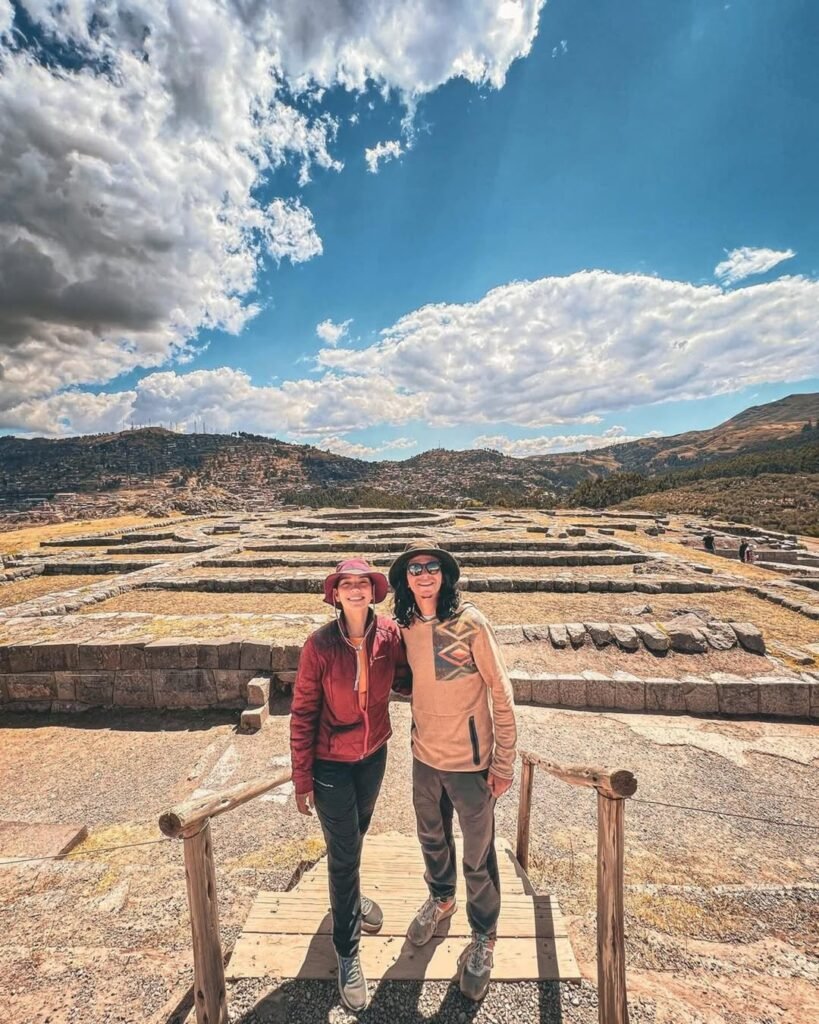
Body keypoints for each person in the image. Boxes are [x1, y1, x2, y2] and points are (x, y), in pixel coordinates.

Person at [389, 539, 517, 1002]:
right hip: (425, 757)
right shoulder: (404, 625)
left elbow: (501, 694)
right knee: (431, 838)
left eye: (432, 566)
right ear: (405, 578)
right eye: (414, 568)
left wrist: (503, 762)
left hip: (471, 763)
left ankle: (483, 936)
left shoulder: (471, 622)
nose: (424, 574)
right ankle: (441, 900)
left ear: (445, 574)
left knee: (478, 856)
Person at [290, 558, 410, 1013]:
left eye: (363, 583)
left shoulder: (389, 637)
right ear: (335, 594)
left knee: (354, 838)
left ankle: (352, 900)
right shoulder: (319, 645)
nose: (356, 590)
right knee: (343, 854)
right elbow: (302, 713)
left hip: (373, 755)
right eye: (348, 585)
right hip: (331, 763)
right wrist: (303, 775)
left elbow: (404, 681)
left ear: (373, 592)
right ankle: (347, 952)